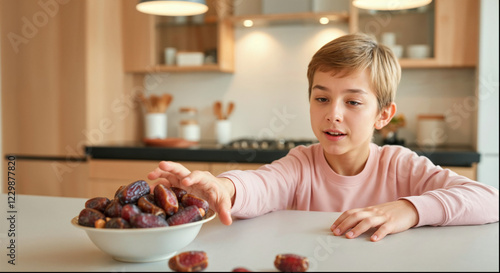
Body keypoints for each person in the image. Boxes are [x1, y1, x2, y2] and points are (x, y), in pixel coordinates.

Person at [148, 33, 499, 242]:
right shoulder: (301, 164)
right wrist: (224, 188)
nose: (333, 113)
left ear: (383, 115)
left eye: (353, 101)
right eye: (322, 98)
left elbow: (488, 199)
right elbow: (262, 184)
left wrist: (410, 209)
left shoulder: (400, 165)